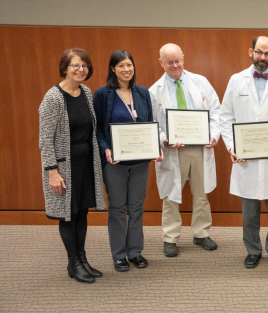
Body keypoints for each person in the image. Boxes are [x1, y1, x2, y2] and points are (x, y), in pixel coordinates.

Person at [219, 36, 268, 269]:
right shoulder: (236, 81)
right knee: (249, 211)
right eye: (259, 52)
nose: (262, 57)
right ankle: (252, 250)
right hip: (246, 158)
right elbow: (226, 117)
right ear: (250, 52)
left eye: (267, 53)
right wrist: (232, 148)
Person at [38, 48, 106, 284]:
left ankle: (82, 259)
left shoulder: (86, 92)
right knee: (68, 215)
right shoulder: (53, 98)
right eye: (75, 65)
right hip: (64, 168)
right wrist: (52, 172)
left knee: (82, 212)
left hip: (86, 164)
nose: (81, 70)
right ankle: (73, 262)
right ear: (64, 68)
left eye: (85, 66)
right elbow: (45, 139)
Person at [149, 43, 221, 257]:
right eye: (169, 62)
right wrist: (165, 139)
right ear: (161, 62)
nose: (175, 65)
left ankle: (201, 234)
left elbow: (216, 111)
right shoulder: (154, 91)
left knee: (201, 193)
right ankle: (170, 237)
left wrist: (213, 135)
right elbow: (152, 122)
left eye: (178, 60)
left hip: (200, 148)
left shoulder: (201, 82)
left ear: (183, 58)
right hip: (173, 151)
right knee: (171, 196)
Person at [94, 50, 163, 271]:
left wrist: (155, 147)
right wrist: (105, 149)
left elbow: (149, 124)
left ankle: (135, 252)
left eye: (130, 65)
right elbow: (98, 130)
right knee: (116, 208)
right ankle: (119, 255)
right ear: (113, 69)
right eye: (121, 65)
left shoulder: (142, 93)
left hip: (141, 162)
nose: (126, 69)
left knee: (136, 206)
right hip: (115, 163)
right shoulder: (103, 94)